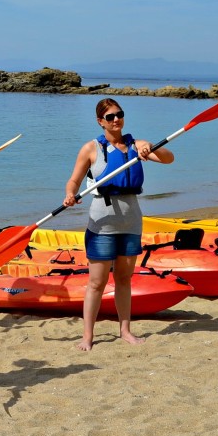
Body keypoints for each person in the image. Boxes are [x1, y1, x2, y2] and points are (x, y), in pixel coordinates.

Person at [62, 98, 173, 351]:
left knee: (124, 279)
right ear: (100, 121)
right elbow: (73, 181)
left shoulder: (137, 145)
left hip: (131, 221)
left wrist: (149, 147)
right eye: (110, 117)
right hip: (102, 224)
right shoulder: (91, 149)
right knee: (96, 282)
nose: (116, 120)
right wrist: (69, 195)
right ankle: (87, 336)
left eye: (119, 115)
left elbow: (169, 158)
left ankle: (125, 330)